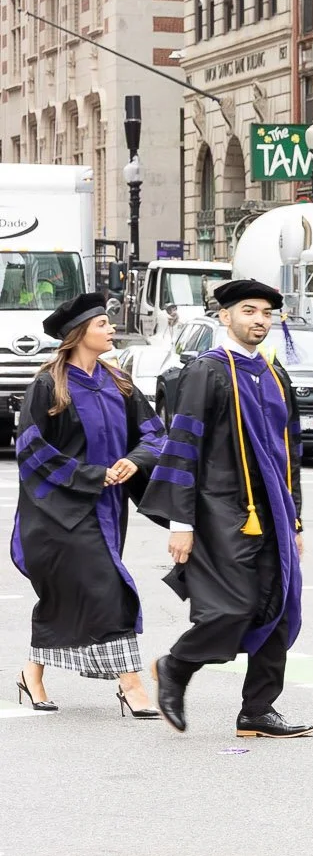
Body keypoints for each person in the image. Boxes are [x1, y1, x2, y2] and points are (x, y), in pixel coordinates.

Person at [145, 279, 313, 738]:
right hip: (219, 509)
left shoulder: (276, 374)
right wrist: (181, 523)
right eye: (248, 311)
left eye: (266, 313)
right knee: (232, 606)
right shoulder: (208, 371)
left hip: (273, 511)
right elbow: (183, 447)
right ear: (225, 317)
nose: (259, 320)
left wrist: (294, 518)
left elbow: (290, 453)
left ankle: (258, 709)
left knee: (278, 605)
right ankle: (176, 666)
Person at [11, 293, 164, 717]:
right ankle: (131, 685)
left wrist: (133, 463)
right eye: (102, 324)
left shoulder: (120, 383)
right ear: (79, 335)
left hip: (109, 508)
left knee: (68, 593)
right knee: (110, 587)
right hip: (59, 510)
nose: (111, 328)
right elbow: (31, 450)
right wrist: (93, 476)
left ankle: (31, 673)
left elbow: (155, 435)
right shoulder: (49, 384)